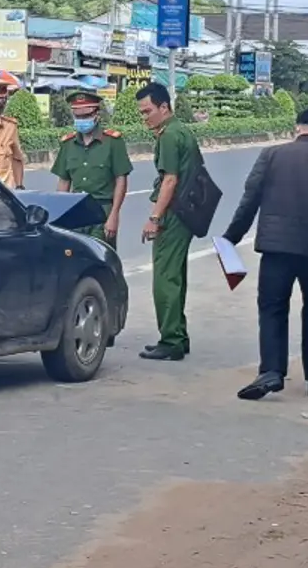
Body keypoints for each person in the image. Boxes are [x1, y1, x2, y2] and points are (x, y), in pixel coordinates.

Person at [220, 106, 308, 400]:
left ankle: (272, 371)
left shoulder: (271, 156)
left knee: (272, 308)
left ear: (298, 126)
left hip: (276, 249)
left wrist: (231, 238)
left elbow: (250, 201)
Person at [138, 82, 201, 361]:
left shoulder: (169, 136)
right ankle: (178, 335)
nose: (144, 118)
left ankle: (171, 340)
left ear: (164, 107)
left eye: (148, 111)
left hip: (174, 214)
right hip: (186, 212)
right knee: (176, 275)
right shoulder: (180, 131)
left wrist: (154, 217)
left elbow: (170, 180)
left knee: (165, 278)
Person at [50, 88, 132, 246]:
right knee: (75, 258)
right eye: (78, 116)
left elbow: (121, 180)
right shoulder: (68, 144)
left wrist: (114, 215)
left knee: (101, 256)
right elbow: (63, 182)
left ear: (97, 115)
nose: (81, 120)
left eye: (86, 116)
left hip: (102, 211)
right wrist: (59, 214)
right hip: (76, 210)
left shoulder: (113, 143)